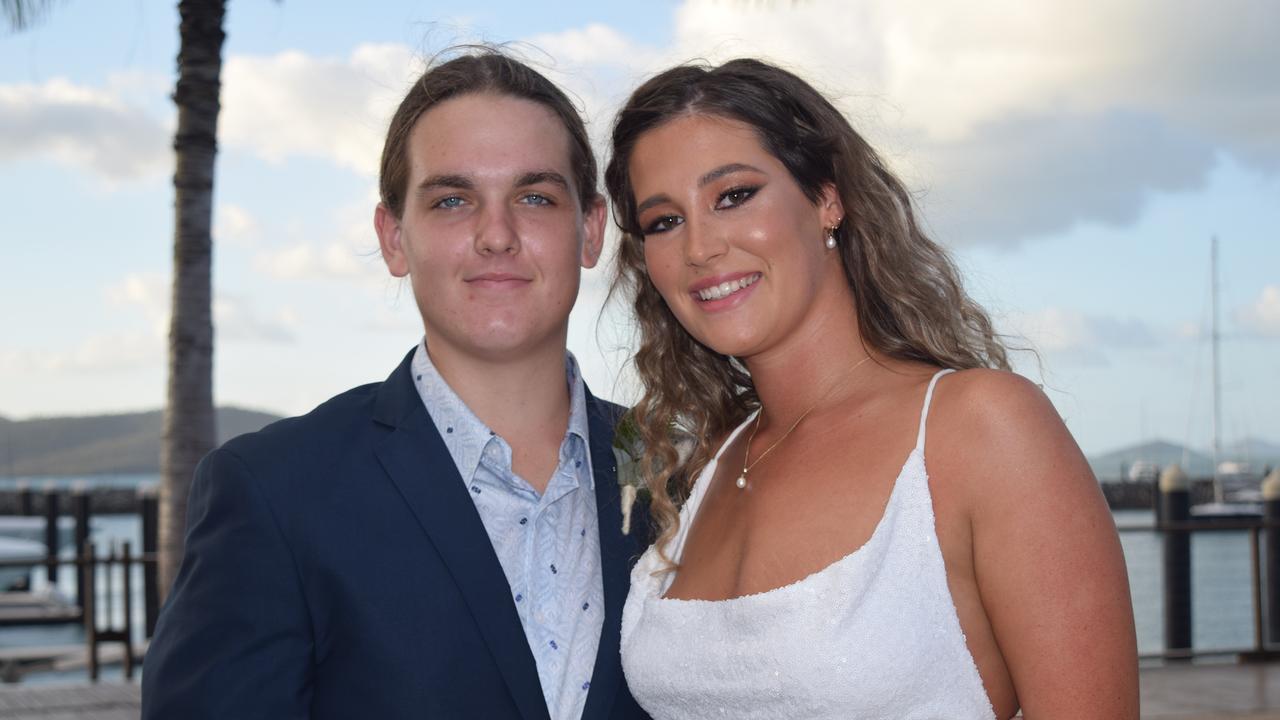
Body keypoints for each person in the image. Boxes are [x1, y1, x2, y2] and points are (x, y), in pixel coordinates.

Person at [605, 58, 1138, 719]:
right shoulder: (708, 464)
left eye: (734, 195)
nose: (700, 247)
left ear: (826, 197)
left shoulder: (980, 429)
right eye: (664, 221)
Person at [142, 50, 651, 720]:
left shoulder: (681, 468)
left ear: (589, 229)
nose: (495, 235)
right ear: (393, 239)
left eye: (534, 197)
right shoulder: (276, 493)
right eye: (451, 200)